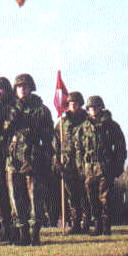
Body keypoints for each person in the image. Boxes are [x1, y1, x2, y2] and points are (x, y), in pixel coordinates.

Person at [8, 73, 55, 245]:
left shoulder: (41, 109)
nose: (22, 89)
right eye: (19, 86)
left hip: (34, 158)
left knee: (35, 196)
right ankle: (22, 233)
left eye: (25, 86)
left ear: (31, 88)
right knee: (16, 196)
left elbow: (49, 135)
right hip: (13, 158)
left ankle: (35, 232)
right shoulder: (9, 108)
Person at [75, 95, 126, 236]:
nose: (93, 110)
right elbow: (78, 148)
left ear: (101, 108)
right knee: (91, 198)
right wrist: (81, 166)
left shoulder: (111, 125)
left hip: (105, 166)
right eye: (90, 108)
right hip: (89, 168)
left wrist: (118, 165)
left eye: (96, 107)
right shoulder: (83, 128)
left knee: (105, 197)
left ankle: (106, 225)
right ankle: (96, 224)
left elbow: (120, 147)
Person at [55, 91, 91, 234]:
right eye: (70, 104)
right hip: (68, 164)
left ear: (80, 104)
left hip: (84, 163)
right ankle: (75, 223)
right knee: (72, 195)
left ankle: (87, 222)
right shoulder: (62, 123)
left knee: (86, 194)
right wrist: (56, 160)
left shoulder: (87, 120)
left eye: (75, 103)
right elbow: (55, 142)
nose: (73, 106)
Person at [0, 77, 16, 242]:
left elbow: (7, 127)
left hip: (11, 156)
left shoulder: (12, 107)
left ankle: (15, 227)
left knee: (13, 194)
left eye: (1, 89)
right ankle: (3, 226)